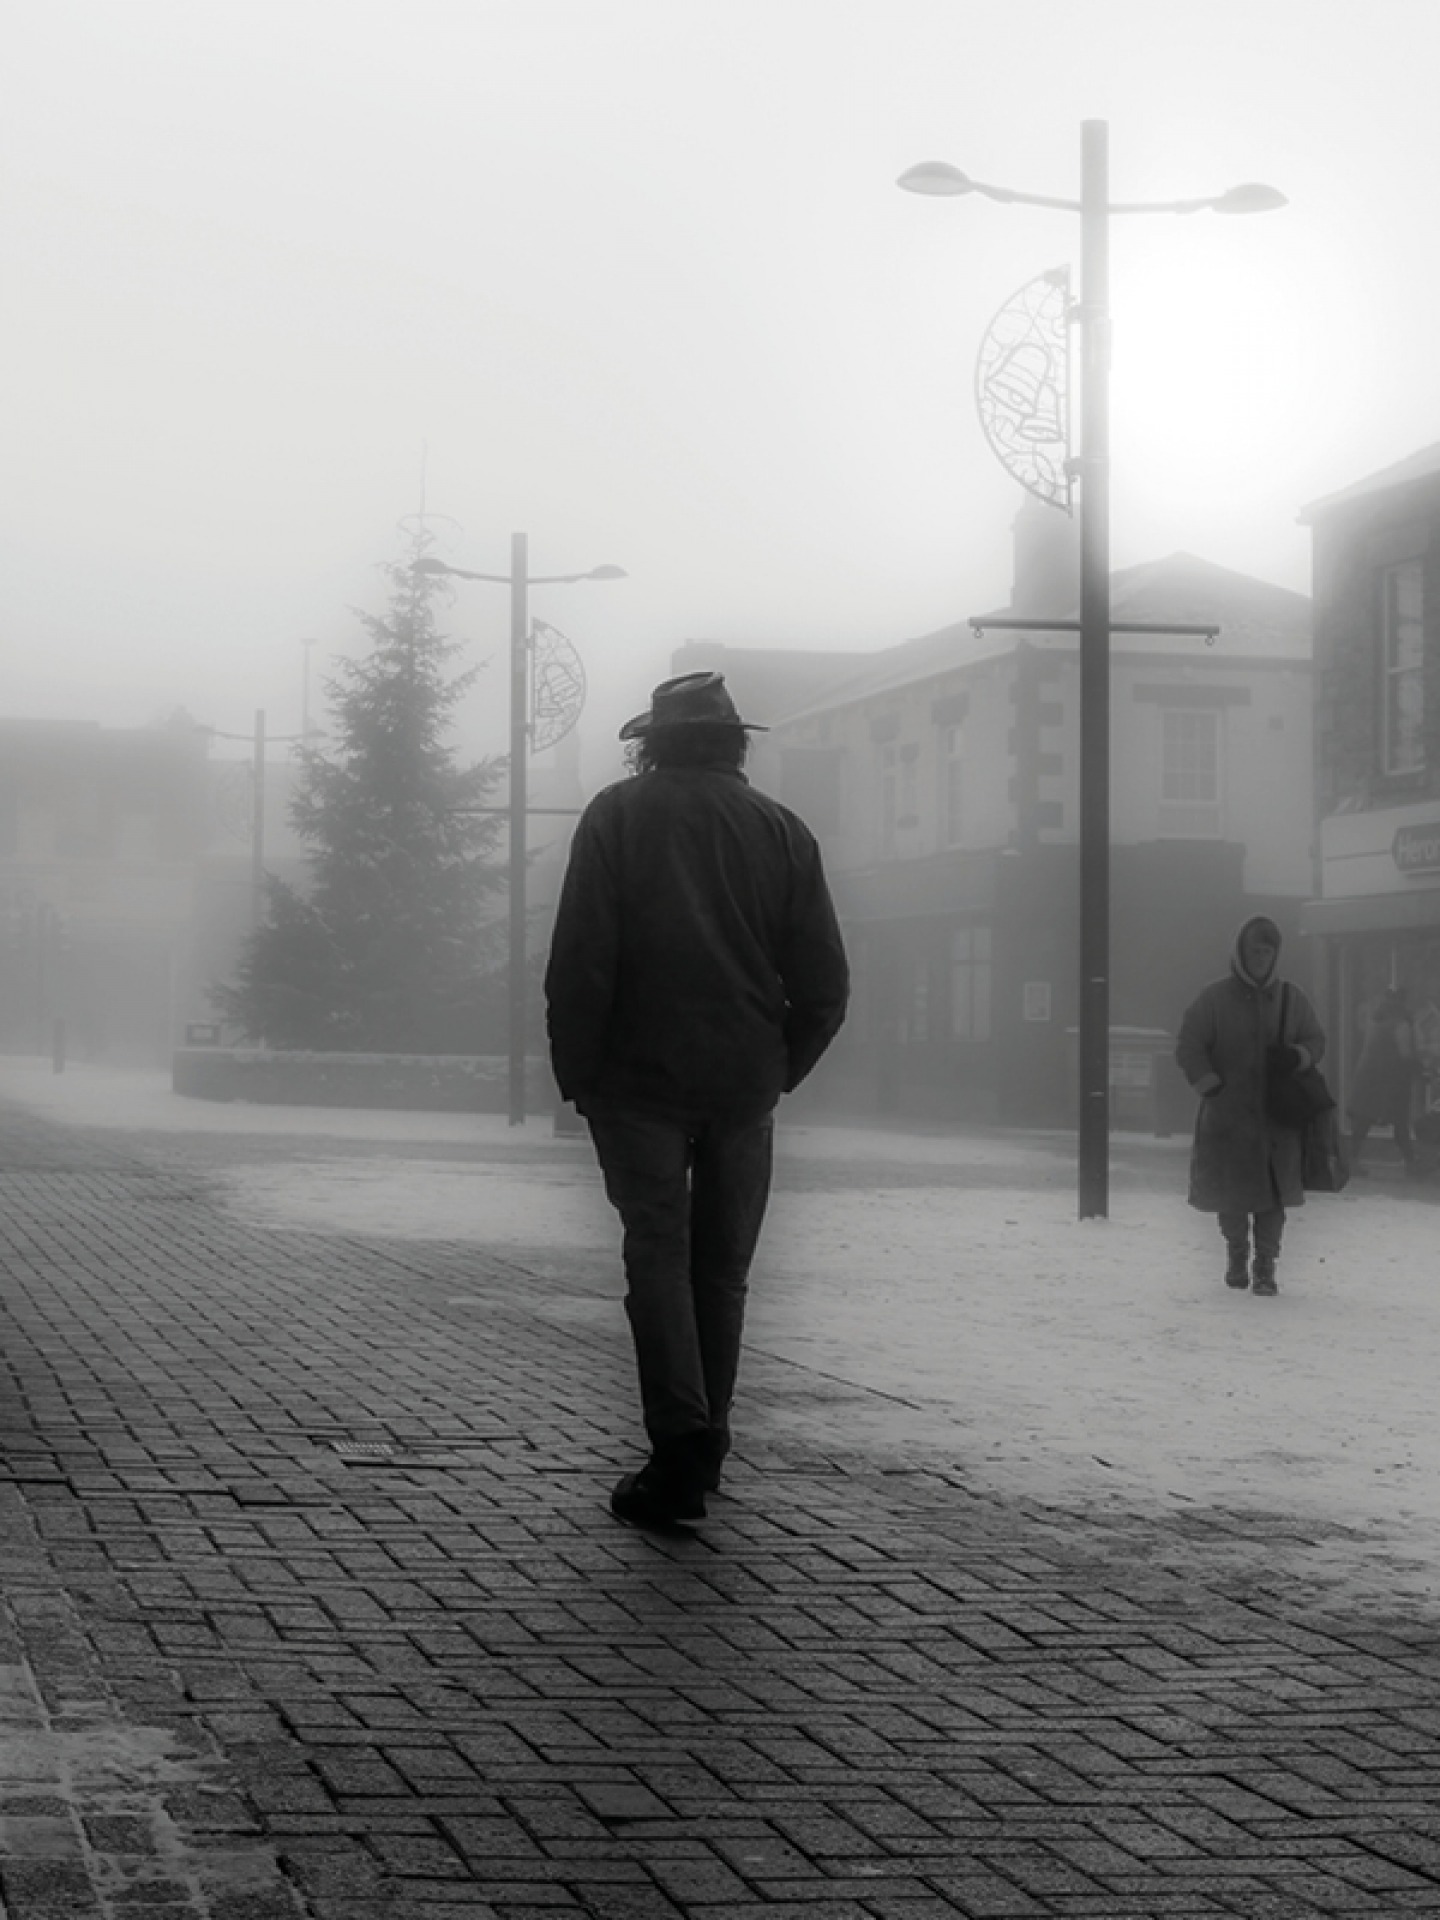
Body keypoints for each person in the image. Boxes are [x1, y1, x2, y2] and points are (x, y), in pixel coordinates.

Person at [544, 671, 849, 1529]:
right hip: (742, 1085)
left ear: (654, 742)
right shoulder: (783, 832)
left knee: (658, 1254)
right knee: (723, 1269)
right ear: (733, 743)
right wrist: (777, 1068)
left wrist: (581, 1070)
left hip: (637, 1080)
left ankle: (680, 1442)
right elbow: (825, 982)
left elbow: (582, 958)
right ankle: (707, 1438)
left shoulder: (615, 816)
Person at [1174, 914, 1325, 1297]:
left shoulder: (1292, 999)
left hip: (1278, 1118)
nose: (1261, 958)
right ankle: (1237, 1254)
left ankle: (1266, 1265)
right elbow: (1190, 1043)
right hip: (1229, 1117)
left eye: (1267, 952)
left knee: (1273, 1198)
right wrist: (1210, 1085)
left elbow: (1316, 1040)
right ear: (1241, 952)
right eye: (1255, 951)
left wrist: (1296, 1056)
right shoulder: (1214, 999)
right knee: (1232, 1195)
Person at [1348, 986, 1417, 1176]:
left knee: (1362, 1122)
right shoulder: (1401, 1025)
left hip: (1368, 1078)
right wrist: (1417, 1067)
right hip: (1388, 1082)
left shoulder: (1375, 1022)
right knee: (1399, 1122)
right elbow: (1405, 1055)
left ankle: (1351, 1162)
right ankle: (1411, 1164)